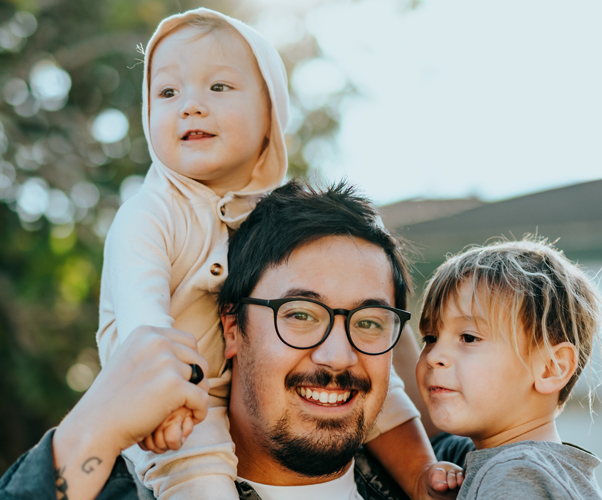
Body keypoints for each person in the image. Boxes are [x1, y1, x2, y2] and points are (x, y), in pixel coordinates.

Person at [94, 8, 438, 500]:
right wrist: (162, 402)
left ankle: (423, 478)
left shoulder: (278, 220)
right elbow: (142, 328)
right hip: (176, 405)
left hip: (223, 389)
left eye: (218, 88)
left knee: (372, 384)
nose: (190, 106)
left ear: (270, 115)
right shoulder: (148, 216)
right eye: (168, 93)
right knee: (199, 470)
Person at [0, 181, 460, 500]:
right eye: (299, 314)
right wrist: (95, 423)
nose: (338, 355)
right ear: (232, 327)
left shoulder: (469, 479)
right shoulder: (125, 492)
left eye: (369, 322)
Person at [416, 239, 602, 499]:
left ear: (551, 368)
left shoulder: (516, 477)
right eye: (430, 338)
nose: (434, 356)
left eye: (468, 337)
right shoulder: (532, 468)